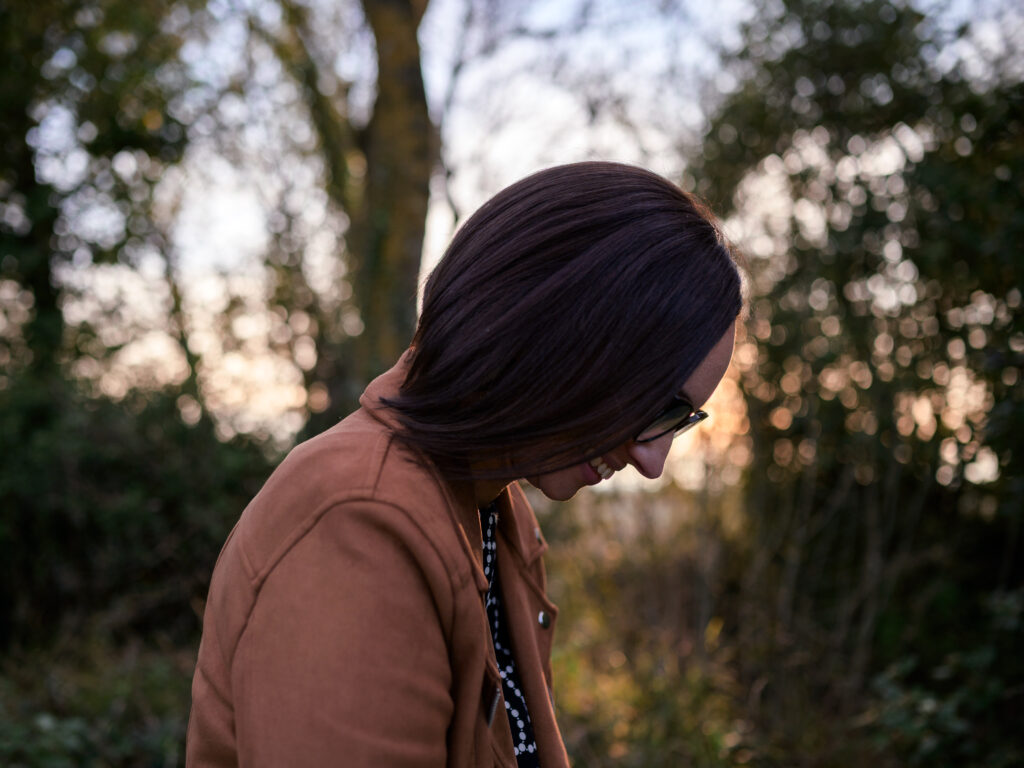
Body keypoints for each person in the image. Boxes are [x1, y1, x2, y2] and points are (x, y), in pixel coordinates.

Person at [186, 161, 742, 767]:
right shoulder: (359, 521)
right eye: (660, 405)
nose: (653, 460)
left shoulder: (497, 517)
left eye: (681, 421)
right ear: (565, 335)